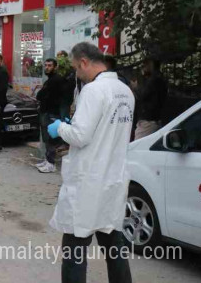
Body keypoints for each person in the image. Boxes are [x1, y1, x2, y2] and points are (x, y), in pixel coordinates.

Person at [46, 42, 134, 283]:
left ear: (84, 62)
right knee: (114, 247)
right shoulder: (124, 90)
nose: (76, 74)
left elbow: (81, 136)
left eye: (76, 68)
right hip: (112, 181)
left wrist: (60, 128)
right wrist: (73, 125)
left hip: (88, 184)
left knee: (74, 249)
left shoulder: (93, 90)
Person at [34, 58, 64, 173]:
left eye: (50, 65)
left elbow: (42, 95)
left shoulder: (56, 80)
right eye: (45, 65)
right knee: (46, 138)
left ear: (55, 67)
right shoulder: (50, 80)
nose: (47, 67)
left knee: (51, 139)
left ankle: (51, 163)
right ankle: (47, 160)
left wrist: (41, 94)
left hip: (51, 113)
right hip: (46, 111)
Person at [133, 58, 168, 140]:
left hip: (148, 120)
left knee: (137, 146)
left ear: (150, 65)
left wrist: (135, 87)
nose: (143, 68)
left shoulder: (153, 80)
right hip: (153, 119)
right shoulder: (158, 79)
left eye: (145, 65)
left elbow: (142, 95)